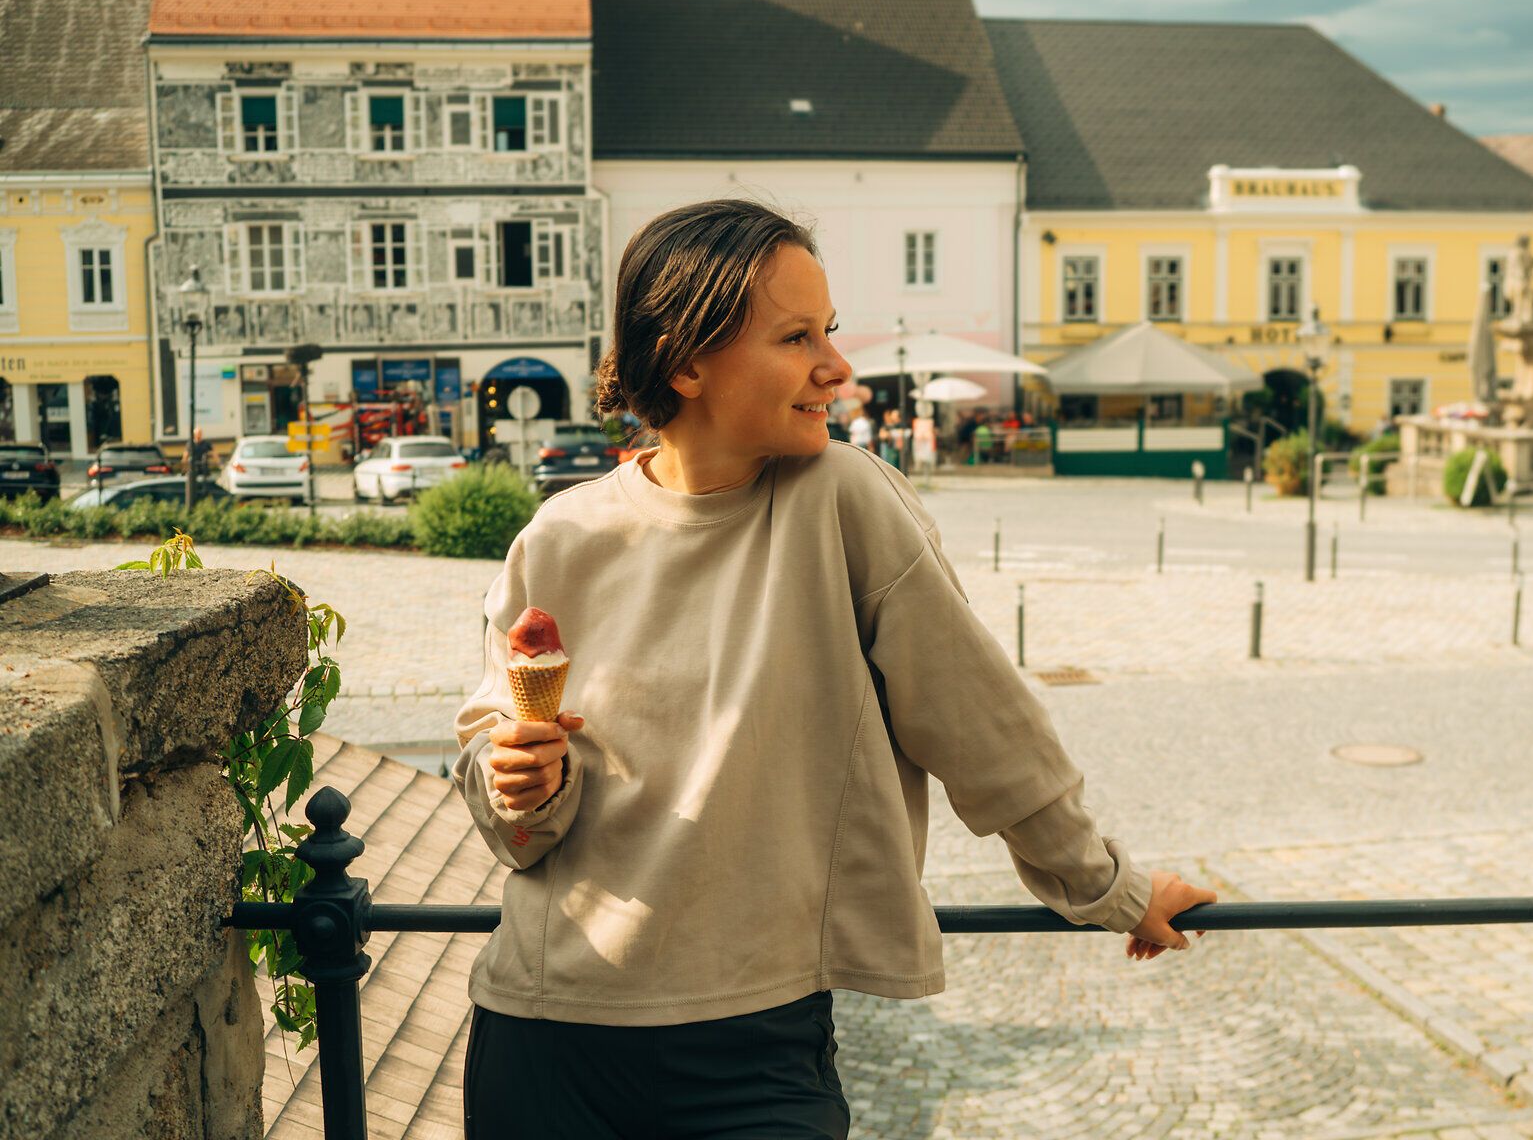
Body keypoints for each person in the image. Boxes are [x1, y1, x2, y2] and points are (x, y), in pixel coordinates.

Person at [452, 199, 1212, 1140]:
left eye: (831, 332)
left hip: (752, 1050)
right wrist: (520, 780)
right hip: (543, 1031)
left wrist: (1116, 892)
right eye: (796, 337)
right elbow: (517, 818)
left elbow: (987, 734)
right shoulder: (561, 536)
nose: (837, 368)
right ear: (686, 362)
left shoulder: (843, 499)